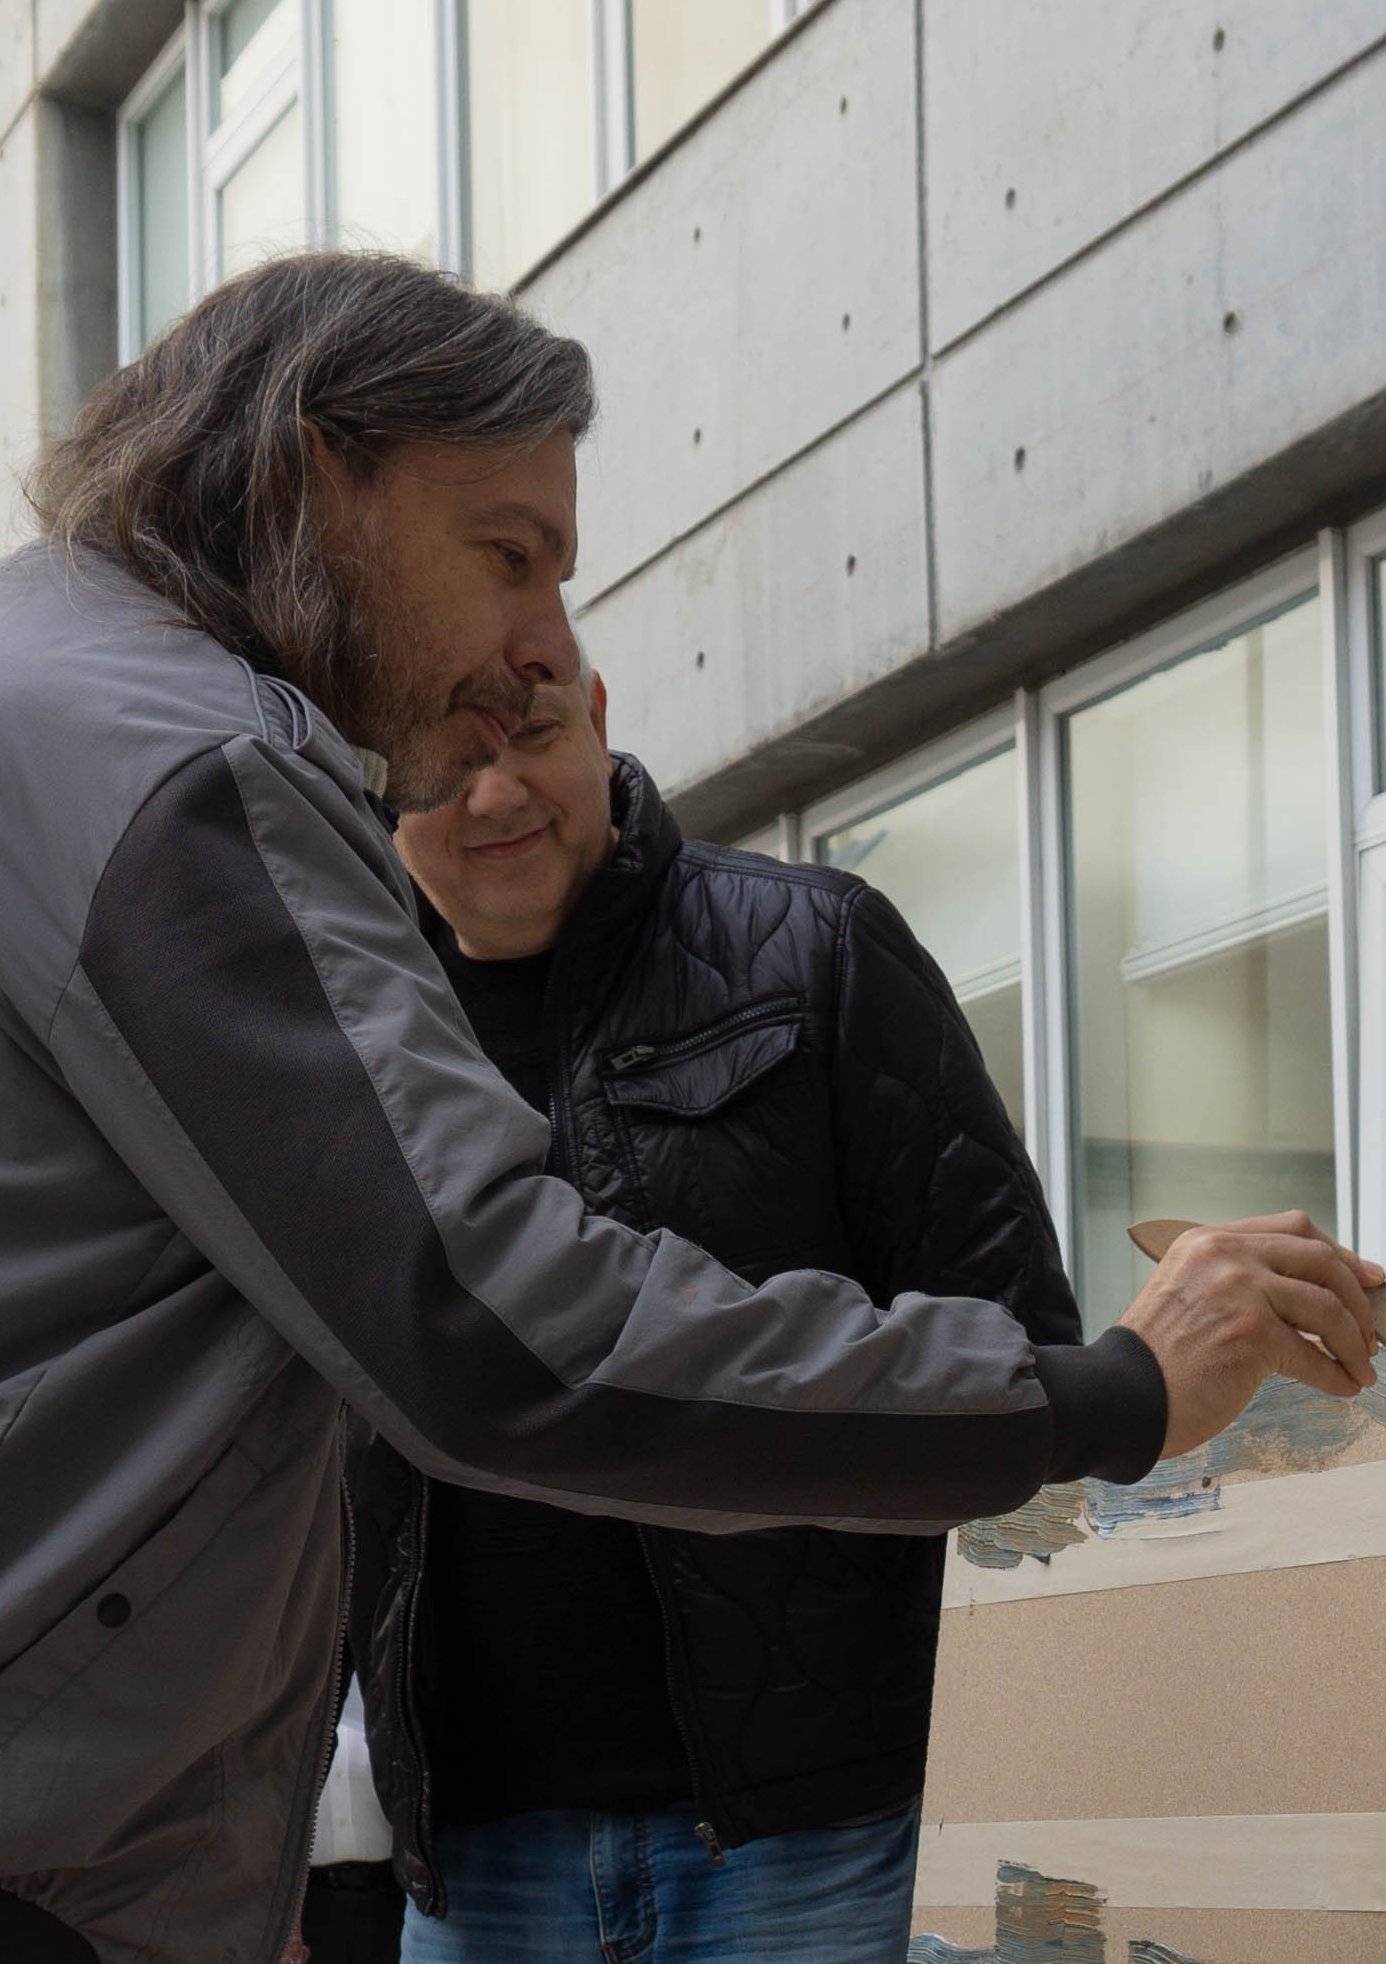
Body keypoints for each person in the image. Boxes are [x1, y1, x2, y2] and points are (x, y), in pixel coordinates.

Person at [0, 252, 1385, 1964]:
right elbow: (491, 1328)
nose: (536, 646)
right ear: (314, 472)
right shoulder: (179, 760)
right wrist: (1106, 1395)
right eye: (506, 553)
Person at [349, 670, 1067, 1961]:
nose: (496, 795)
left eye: (533, 736)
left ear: (598, 712)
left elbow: (1015, 1346)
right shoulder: (345, 1033)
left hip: (814, 1827)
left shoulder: (816, 947)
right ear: (372, 787)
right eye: (444, 770)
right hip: (475, 1850)